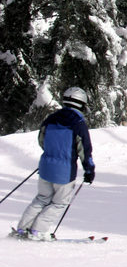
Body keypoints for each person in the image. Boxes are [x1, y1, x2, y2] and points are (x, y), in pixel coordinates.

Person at [14, 88, 95, 241]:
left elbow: (41, 140)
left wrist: (52, 154)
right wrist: (89, 170)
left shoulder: (51, 118)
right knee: (59, 203)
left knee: (42, 198)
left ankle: (22, 228)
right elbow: (84, 149)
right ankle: (38, 231)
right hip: (64, 171)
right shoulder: (78, 123)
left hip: (45, 166)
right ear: (82, 104)